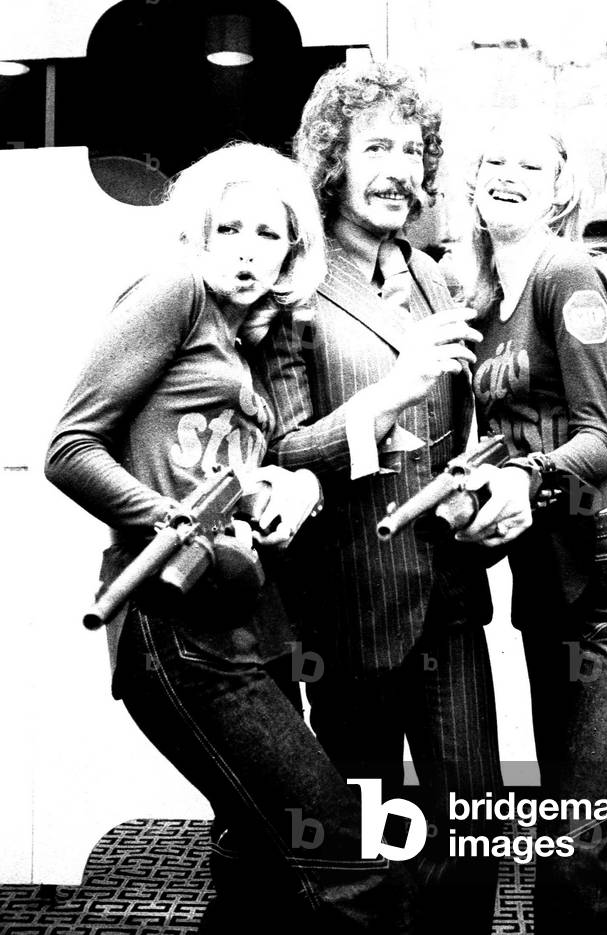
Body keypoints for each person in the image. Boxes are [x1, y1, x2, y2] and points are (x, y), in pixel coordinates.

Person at [44, 142, 415, 934]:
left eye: (267, 233)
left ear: (291, 251)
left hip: (246, 613)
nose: (246, 249)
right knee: (343, 857)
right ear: (199, 235)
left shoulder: (248, 339)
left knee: (257, 860)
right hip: (174, 617)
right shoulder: (174, 292)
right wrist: (177, 520)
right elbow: (70, 449)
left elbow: (219, 459)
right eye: (230, 229)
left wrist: (274, 488)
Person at [259, 63, 517, 933]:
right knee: (363, 845)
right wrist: (392, 392)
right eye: (376, 147)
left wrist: (477, 489)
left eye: (411, 151)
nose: (398, 169)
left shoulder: (435, 277)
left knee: (474, 826)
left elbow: (457, 425)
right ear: (332, 160)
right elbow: (284, 449)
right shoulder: (293, 286)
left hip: (447, 595)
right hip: (347, 606)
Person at [459, 117, 607, 934]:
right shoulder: (483, 300)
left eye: (530, 165)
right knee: (575, 833)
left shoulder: (567, 274)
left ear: (560, 190)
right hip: (547, 580)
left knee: (585, 842)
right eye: (493, 160)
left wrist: (525, 475)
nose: (506, 174)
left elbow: (601, 438)